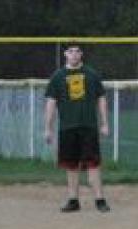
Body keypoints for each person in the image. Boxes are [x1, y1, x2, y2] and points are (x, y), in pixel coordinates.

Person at [43, 43, 112, 213]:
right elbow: (51, 103)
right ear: (65, 54)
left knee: (93, 163)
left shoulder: (91, 74)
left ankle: (100, 199)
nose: (74, 54)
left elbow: (101, 98)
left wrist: (104, 123)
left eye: (77, 51)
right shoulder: (58, 77)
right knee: (71, 165)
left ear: (82, 54)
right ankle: (73, 200)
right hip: (67, 127)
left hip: (88, 126)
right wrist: (47, 128)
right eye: (71, 51)